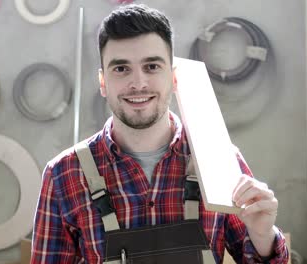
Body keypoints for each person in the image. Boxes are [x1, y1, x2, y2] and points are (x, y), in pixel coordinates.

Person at [31, 4, 289, 264]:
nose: (138, 83)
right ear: (102, 83)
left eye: (152, 66)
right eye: (121, 69)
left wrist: (263, 235)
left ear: (174, 78)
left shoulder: (219, 161)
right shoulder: (63, 175)